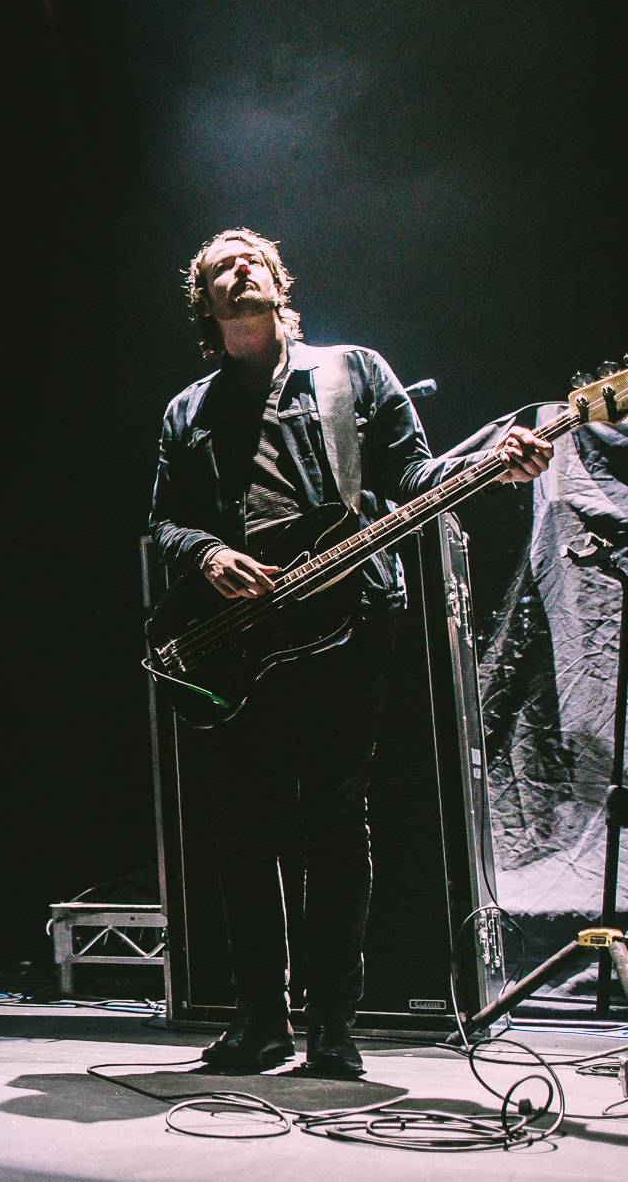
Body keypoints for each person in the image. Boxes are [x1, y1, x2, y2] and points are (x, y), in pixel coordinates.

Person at [148, 228, 551, 1077]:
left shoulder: (352, 372)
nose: (239, 269)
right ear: (205, 304)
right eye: (220, 267)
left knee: (334, 818)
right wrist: (207, 554)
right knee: (242, 829)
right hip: (238, 638)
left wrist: (493, 465)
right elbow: (165, 520)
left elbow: (414, 477)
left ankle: (332, 1025)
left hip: (348, 622)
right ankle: (259, 1021)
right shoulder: (187, 411)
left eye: (252, 259)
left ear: (278, 282)